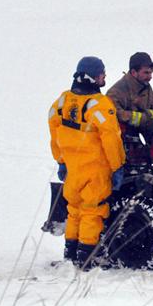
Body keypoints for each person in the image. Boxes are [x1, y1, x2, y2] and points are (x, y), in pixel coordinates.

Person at [48, 56, 126, 270]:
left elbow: (53, 127)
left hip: (73, 168)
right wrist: (117, 166)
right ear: (94, 77)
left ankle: (70, 254)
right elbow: (111, 138)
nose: (105, 77)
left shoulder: (63, 101)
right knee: (93, 211)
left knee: (74, 210)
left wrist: (61, 159)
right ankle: (87, 258)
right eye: (102, 74)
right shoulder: (100, 105)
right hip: (95, 169)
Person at [106, 52, 153, 163]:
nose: (150, 76)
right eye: (146, 73)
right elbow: (114, 113)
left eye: (151, 72)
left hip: (142, 136)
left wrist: (147, 116)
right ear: (134, 72)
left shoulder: (146, 87)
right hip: (123, 139)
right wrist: (138, 117)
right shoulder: (116, 91)